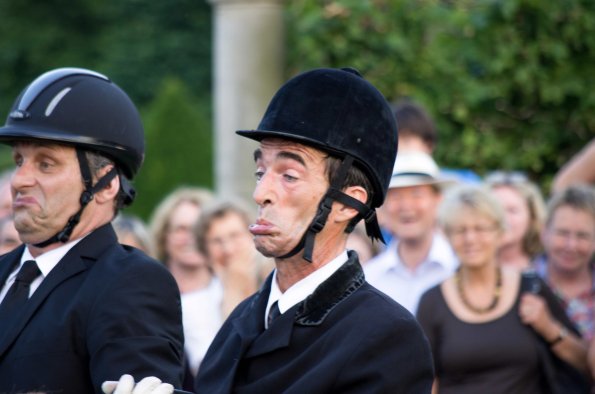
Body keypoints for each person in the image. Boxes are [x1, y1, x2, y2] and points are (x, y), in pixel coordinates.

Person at [105, 67, 434, 393]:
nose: (260, 193)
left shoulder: (388, 337)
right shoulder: (240, 323)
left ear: (348, 203)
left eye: (289, 176)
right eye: (261, 171)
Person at [0, 68, 184, 392]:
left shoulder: (131, 283)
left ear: (106, 184)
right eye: (19, 160)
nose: (19, 180)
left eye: (45, 163)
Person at [417, 185, 589, 394]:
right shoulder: (432, 301)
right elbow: (425, 381)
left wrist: (549, 327)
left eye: (480, 228)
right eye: (460, 230)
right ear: (447, 236)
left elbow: (585, 362)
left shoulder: (530, 287)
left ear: (500, 232)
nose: (470, 239)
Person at [364, 150, 458, 314]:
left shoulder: (459, 268)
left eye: (417, 195)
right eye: (396, 197)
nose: (406, 206)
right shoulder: (369, 278)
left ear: (438, 201)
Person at [149, 187, 214, 388]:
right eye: (181, 229)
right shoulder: (147, 293)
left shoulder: (233, 290)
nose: (191, 237)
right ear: (164, 235)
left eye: (198, 228)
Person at [534, 184, 595, 343]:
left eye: (582, 236)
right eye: (562, 233)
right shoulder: (518, 285)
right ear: (544, 232)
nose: (571, 246)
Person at [485, 171, 547, 271]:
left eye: (512, 210)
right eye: (495, 208)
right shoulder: (464, 267)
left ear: (532, 217)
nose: (502, 218)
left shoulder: (547, 269)